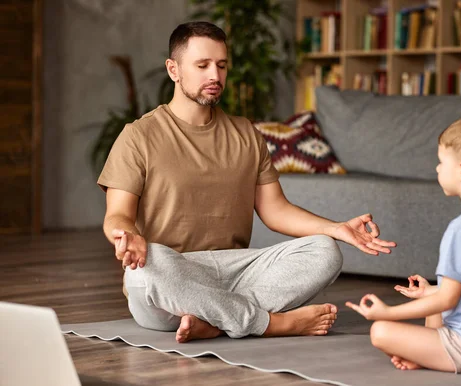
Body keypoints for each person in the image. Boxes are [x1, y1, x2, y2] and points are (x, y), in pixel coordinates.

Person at [97, 21, 397, 343]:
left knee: (325, 251)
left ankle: (214, 322)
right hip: (173, 273)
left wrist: (335, 228)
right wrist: (128, 237)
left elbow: (275, 210)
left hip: (235, 272)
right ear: (174, 70)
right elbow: (118, 215)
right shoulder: (138, 136)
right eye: (202, 66)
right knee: (149, 267)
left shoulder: (246, 134)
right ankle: (273, 324)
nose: (215, 76)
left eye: (221, 66)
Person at [346, 116, 461, 374]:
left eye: (441, 162)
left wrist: (387, 312)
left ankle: (431, 356)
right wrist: (431, 291)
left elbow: (448, 299)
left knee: (380, 331)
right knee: (434, 301)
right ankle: (428, 355)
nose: (437, 169)